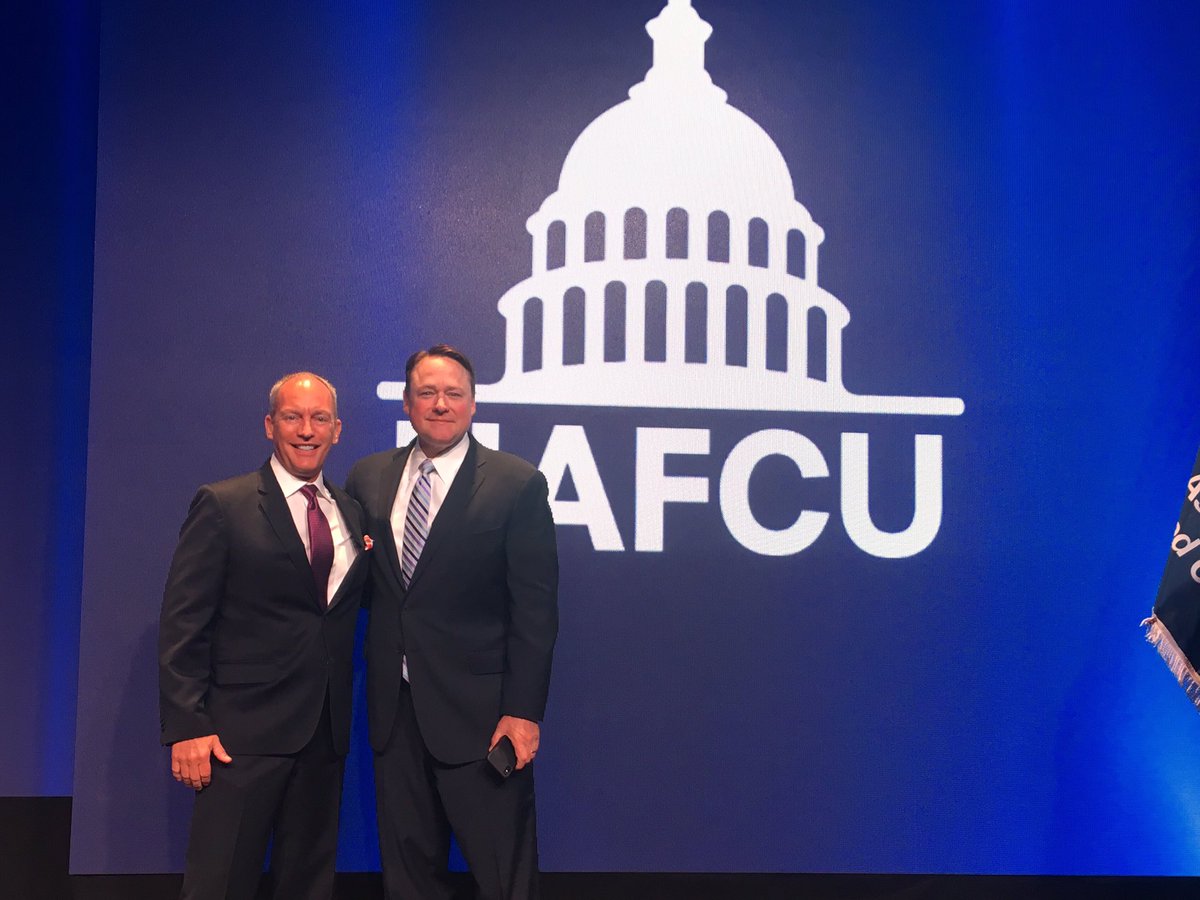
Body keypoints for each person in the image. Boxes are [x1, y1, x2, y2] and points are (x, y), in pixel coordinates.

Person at [346, 344, 558, 900]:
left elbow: (534, 611)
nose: (440, 404)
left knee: (503, 874)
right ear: (407, 401)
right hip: (395, 714)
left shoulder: (517, 483)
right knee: (408, 875)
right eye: (426, 392)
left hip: (484, 719)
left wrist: (523, 713)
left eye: (453, 393)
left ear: (472, 403)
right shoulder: (368, 478)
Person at [158, 372, 370, 900]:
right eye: (293, 417)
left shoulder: (350, 511)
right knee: (220, 883)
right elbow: (185, 620)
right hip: (239, 739)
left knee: (307, 883)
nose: (306, 430)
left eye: (319, 418)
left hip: (324, 734)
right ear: (269, 425)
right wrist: (188, 723)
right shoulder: (224, 504)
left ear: (337, 430)